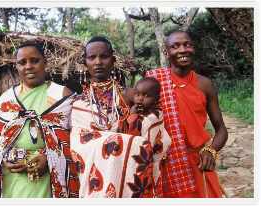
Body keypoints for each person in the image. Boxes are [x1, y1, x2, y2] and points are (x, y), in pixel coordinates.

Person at [70, 36, 171, 197]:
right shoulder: (77, 103)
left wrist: (133, 122)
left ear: (113, 60)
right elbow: (76, 144)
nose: (98, 62)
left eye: (104, 56)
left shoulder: (131, 95)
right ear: (85, 62)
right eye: (92, 57)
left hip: (128, 178)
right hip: (93, 181)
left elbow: (154, 123)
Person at [0, 41, 79, 198]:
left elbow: (77, 141)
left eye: (34, 60)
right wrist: (3, 158)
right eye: (22, 62)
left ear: (45, 63)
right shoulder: (7, 100)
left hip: (49, 182)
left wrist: (49, 158)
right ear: (17, 67)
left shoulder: (61, 95)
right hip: (12, 182)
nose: (28, 66)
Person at [146, 30, 228, 198]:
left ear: (193, 48)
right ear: (166, 52)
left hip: (198, 162)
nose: (182, 50)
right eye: (175, 46)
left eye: (187, 45)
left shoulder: (205, 84)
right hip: (166, 164)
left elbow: (221, 130)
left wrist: (211, 151)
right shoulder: (154, 83)